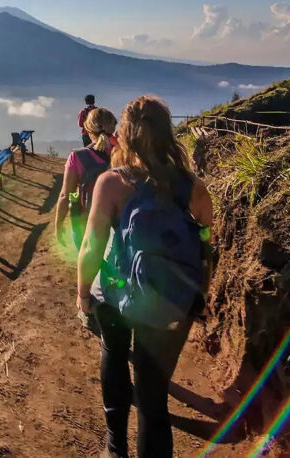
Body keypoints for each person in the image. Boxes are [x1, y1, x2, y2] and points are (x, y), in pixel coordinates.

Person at [77, 95, 213, 458]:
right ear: (168, 135)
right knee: (153, 400)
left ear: (124, 136)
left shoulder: (111, 183)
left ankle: (114, 449)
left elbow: (91, 248)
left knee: (114, 355)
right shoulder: (195, 189)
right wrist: (199, 295)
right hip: (171, 300)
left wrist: (82, 296)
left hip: (116, 294)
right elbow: (204, 247)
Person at [54, 107, 118, 252]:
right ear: (113, 127)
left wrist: (59, 225)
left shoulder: (77, 157)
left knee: (90, 264)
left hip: (87, 222)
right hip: (119, 222)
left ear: (88, 130)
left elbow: (66, 195)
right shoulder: (125, 153)